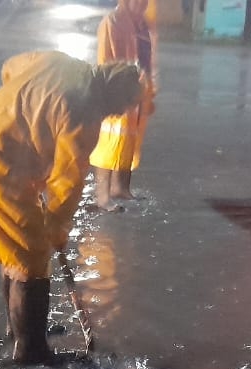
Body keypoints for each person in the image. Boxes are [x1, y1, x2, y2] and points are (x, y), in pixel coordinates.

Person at [0, 51, 143, 365]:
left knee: (15, 250)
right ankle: (31, 351)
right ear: (111, 98)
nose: (111, 117)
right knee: (32, 257)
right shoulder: (86, 114)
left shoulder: (58, 61)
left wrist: (25, 117)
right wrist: (55, 229)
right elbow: (67, 184)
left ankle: (20, 330)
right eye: (116, 111)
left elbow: (10, 67)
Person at [89, 0, 158, 212]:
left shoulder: (141, 25)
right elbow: (105, 61)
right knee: (109, 142)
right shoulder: (112, 22)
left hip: (137, 91)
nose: (141, 5)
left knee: (130, 141)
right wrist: (114, 89)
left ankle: (121, 189)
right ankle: (102, 198)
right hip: (116, 91)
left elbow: (148, 59)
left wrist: (148, 89)